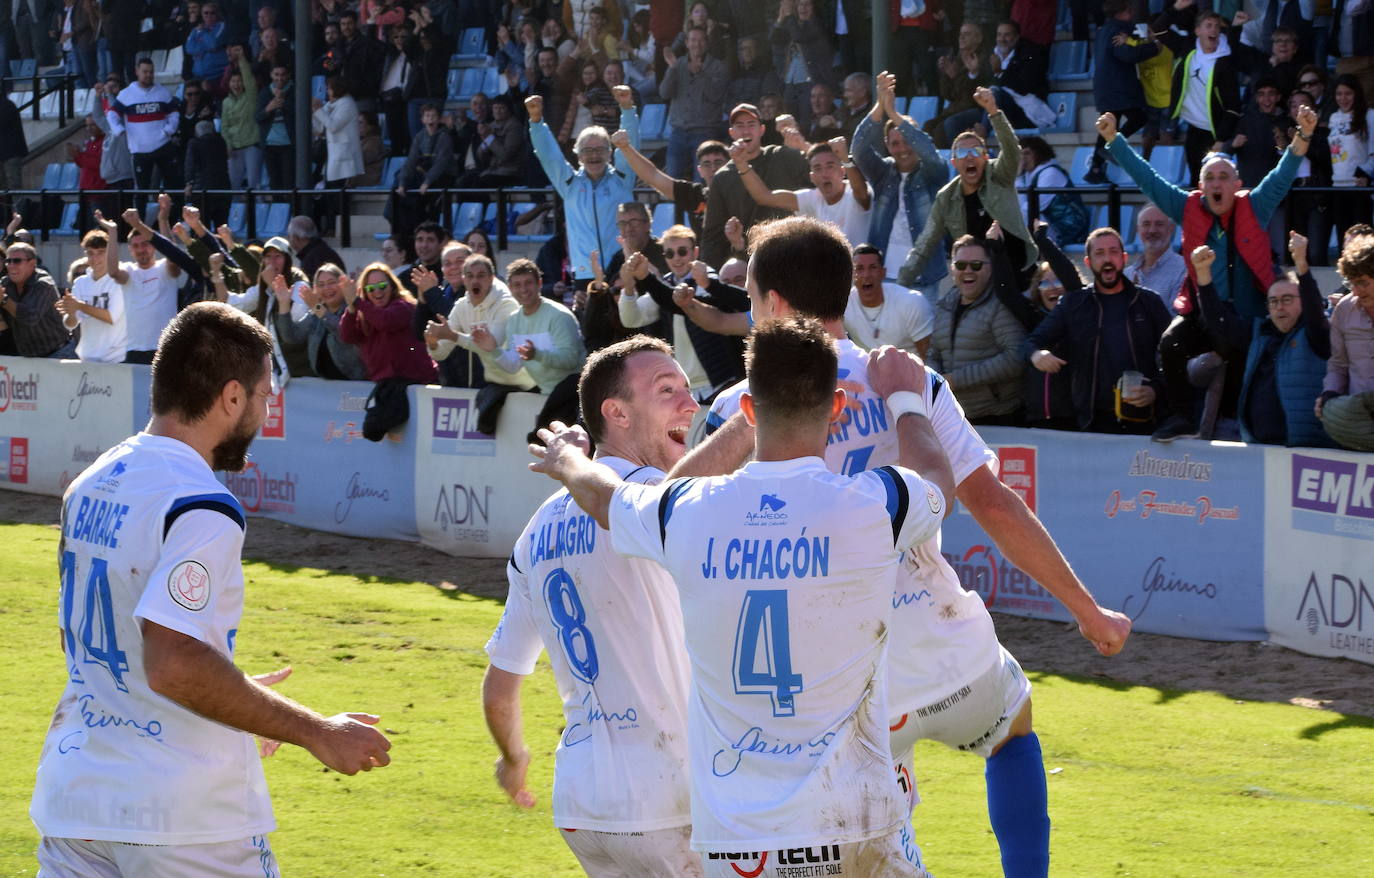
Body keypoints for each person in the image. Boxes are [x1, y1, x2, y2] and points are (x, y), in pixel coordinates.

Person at [690, 216, 1131, 878]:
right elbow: (992, 502)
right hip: (944, 642)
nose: (751, 316)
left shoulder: (740, 408)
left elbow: (680, 527)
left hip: (837, 677)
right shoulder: (905, 377)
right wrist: (1088, 611)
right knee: (1011, 725)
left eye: (751, 300)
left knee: (873, 832)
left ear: (775, 304)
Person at [531, 317, 952, 878]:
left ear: (747, 412)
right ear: (838, 407)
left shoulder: (689, 510)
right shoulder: (875, 502)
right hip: (857, 815)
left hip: (741, 838)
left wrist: (569, 462)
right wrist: (906, 398)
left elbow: (608, 500)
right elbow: (939, 482)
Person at [30, 301, 391, 876]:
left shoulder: (92, 481)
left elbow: (94, 639)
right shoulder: (201, 504)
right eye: (265, 394)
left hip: (75, 800)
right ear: (230, 397)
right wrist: (314, 730)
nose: (266, 410)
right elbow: (173, 663)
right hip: (183, 818)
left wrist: (240, 697)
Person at [484, 335, 703, 877]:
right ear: (617, 413)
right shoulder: (661, 500)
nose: (690, 404)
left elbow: (500, 686)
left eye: (687, 388)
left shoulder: (537, 531)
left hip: (585, 803)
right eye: (666, 389)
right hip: (669, 799)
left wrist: (514, 761)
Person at [1097, 104, 1318, 441]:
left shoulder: (1255, 205)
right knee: (1171, 344)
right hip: (1204, 312)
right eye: (1209, 178)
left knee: (1240, 364)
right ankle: (1181, 416)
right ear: (1200, 186)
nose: (1216, 183)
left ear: (1238, 184)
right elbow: (1147, 178)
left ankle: (1244, 426)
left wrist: (1303, 134)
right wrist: (1114, 139)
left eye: (1223, 177)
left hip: (1249, 316)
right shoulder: (1186, 207)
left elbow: (1284, 173)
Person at [1025, 228, 1172, 433]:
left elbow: (1175, 357)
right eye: (1099, 253)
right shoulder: (1073, 304)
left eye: (1113, 252)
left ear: (1124, 258)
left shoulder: (1149, 302)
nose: (1107, 259)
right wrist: (1036, 354)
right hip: (1090, 424)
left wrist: (1156, 389)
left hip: (1143, 422)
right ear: (1088, 262)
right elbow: (1032, 342)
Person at [900, 88, 1039, 292]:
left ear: (985, 157)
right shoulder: (946, 197)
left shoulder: (999, 174)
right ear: (954, 162)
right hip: (978, 283)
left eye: (976, 151)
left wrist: (993, 111)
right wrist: (901, 284)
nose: (970, 157)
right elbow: (925, 244)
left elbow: (1012, 152)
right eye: (963, 153)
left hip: (1019, 276)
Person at [619, 224, 750, 402]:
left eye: (682, 251)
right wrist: (628, 285)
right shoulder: (664, 284)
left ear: (695, 252)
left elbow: (680, 304)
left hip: (721, 381)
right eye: (670, 254)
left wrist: (647, 278)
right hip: (685, 385)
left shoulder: (708, 279)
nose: (677, 259)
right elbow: (631, 319)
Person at [527, 85, 640, 289]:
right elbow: (549, 156)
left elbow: (629, 145)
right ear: (578, 156)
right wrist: (536, 122)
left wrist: (626, 108)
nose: (594, 156)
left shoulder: (622, 179)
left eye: (599, 150)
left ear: (609, 153)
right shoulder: (569, 185)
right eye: (587, 150)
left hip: (622, 270)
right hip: (585, 274)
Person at [1231, 233, 1333, 447]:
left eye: (1287, 300)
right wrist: (1203, 277)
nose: (1280, 307)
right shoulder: (1260, 337)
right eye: (1273, 302)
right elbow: (1220, 326)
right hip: (1258, 450)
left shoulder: (1317, 334)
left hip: (1304, 453)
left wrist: (1301, 264)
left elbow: (1315, 311)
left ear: (1303, 301)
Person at [852, 71, 945, 290]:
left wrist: (893, 113)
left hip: (923, 276)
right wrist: (880, 107)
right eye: (895, 143)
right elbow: (858, 149)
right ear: (887, 144)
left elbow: (928, 151)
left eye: (907, 141)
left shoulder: (933, 172)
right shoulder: (883, 173)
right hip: (882, 276)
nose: (902, 149)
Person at [425, 253, 536, 433]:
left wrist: (452, 335)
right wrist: (432, 343)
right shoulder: (462, 305)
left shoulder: (506, 304)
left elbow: (491, 346)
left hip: (524, 386)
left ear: (492, 278)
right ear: (463, 279)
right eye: (469, 276)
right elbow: (442, 353)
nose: (475, 280)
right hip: (496, 386)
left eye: (481, 275)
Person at [925, 232, 1029, 425]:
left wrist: (956, 380)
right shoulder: (944, 305)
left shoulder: (1001, 305)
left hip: (999, 417)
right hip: (955, 418)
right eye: (961, 265)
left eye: (976, 265)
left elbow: (1016, 358)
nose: (968, 271)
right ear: (952, 269)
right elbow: (934, 354)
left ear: (990, 269)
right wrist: (935, 381)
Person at [479, 258, 586, 442]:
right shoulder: (514, 320)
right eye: (517, 285)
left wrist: (536, 355)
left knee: (538, 441)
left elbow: (570, 360)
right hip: (549, 396)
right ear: (510, 288)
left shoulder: (559, 315)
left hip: (575, 395)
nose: (523, 290)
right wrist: (493, 350)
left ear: (539, 283)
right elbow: (513, 365)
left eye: (528, 283)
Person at [700, 102, 809, 267]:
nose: (746, 130)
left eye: (751, 124)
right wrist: (709, 278)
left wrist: (802, 145)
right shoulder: (722, 177)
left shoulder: (782, 156)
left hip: (791, 253)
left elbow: (821, 170)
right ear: (732, 132)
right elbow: (712, 236)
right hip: (750, 261)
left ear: (762, 130)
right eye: (740, 125)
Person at [1152, 3, 1250, 179]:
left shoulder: (1225, 62)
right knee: (1195, 182)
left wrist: (1221, 139)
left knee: (1215, 182)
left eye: (1217, 27)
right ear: (1198, 31)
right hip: (1194, 128)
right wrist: (1175, 8)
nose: (1214, 30)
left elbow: (1233, 106)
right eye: (1209, 25)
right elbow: (1158, 30)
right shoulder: (1187, 46)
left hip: (1216, 131)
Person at [731, 135, 871, 247]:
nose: (825, 174)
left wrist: (845, 159)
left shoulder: (854, 190)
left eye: (830, 166)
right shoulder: (812, 198)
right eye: (817, 168)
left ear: (842, 171)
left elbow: (861, 192)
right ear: (812, 178)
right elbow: (764, 197)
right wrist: (740, 163)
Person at [1087, 0, 1161, 184]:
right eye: (1129, 11)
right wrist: (1153, 47)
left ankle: (1095, 169)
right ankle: (1109, 150)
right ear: (1122, 13)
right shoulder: (1117, 31)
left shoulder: (1104, 29)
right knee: (1139, 118)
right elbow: (1128, 55)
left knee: (1108, 124)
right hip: (1117, 88)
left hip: (1105, 87)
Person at [609, 131, 728, 239]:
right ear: (699, 170)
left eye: (718, 162)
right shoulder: (694, 194)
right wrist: (625, 148)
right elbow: (653, 176)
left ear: (729, 165)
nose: (713, 168)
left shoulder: (741, 189)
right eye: (707, 164)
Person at [1318, 234, 1374, 450]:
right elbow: (1338, 364)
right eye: (1352, 283)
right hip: (1357, 418)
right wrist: (1329, 394)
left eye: (1363, 283)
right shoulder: (1343, 310)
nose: (1356, 291)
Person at [118, 207, 188, 364]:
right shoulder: (127, 269)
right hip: (133, 348)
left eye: (145, 244)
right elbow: (114, 273)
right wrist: (112, 232)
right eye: (136, 246)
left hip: (164, 347)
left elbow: (172, 254)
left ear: (154, 245)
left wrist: (163, 220)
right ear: (130, 250)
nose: (141, 249)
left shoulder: (164, 267)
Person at [659, 25, 729, 179]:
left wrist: (701, 74)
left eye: (701, 40)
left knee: (702, 182)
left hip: (705, 133)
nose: (697, 44)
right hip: (678, 132)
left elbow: (716, 96)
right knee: (672, 182)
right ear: (686, 42)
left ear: (707, 43)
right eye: (693, 40)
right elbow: (664, 93)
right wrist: (672, 68)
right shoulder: (678, 64)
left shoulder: (718, 67)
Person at [278, 263, 368, 381]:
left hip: (357, 385)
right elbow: (292, 337)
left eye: (331, 282)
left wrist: (318, 308)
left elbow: (344, 333)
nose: (326, 288)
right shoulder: (315, 313)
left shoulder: (353, 309)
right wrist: (283, 303)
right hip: (325, 389)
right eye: (321, 285)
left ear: (343, 284)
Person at [59, 216, 129, 364]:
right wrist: (70, 312)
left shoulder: (119, 280)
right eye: (90, 253)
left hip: (117, 360)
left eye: (101, 252)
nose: (95, 258)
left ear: (109, 253)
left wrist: (78, 306)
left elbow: (111, 317)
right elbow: (71, 324)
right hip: (86, 358)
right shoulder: (80, 282)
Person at [843, 243, 933, 357]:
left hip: (910, 373)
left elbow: (930, 358)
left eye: (873, 267)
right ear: (851, 274)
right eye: (859, 268)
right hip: (867, 372)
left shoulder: (912, 302)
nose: (866, 275)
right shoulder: (843, 304)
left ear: (883, 272)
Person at [107, 57, 182, 192]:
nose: (148, 75)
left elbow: (174, 113)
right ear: (137, 71)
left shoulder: (163, 92)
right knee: (141, 190)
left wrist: (169, 130)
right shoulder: (126, 94)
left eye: (151, 72)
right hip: (139, 149)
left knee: (173, 186)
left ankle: (175, 213)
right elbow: (112, 114)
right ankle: (140, 213)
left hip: (163, 145)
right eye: (145, 71)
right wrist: (119, 130)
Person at [390, 103, 455, 237]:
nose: (430, 119)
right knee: (401, 190)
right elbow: (410, 161)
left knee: (426, 197)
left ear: (439, 119)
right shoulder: (419, 137)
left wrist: (427, 182)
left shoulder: (444, 137)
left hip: (444, 176)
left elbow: (440, 164)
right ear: (422, 119)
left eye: (433, 116)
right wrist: (402, 183)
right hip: (425, 176)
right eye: (427, 116)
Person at [1325, 74, 1374, 242]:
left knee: (1362, 243)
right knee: (1343, 242)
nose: (1343, 98)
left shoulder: (1369, 115)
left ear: (1357, 94)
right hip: (1337, 186)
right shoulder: (1333, 118)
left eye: (1348, 93)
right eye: (1339, 94)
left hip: (1359, 187)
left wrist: (1366, 174)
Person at [312, 75, 364, 230]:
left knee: (338, 196)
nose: (327, 91)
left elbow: (333, 126)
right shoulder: (332, 104)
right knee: (329, 194)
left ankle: (337, 229)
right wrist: (316, 111)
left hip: (344, 157)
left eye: (329, 88)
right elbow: (320, 128)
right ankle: (329, 227)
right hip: (333, 157)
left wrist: (319, 110)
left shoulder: (347, 104)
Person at [1016, 136, 1088, 247]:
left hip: (1068, 228)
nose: (1023, 158)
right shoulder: (1027, 175)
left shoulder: (1050, 173)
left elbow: (1031, 208)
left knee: (1025, 215)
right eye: (1020, 154)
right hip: (1046, 224)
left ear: (1039, 154)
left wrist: (1018, 177)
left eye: (1027, 153)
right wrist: (1019, 176)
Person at [1126, 205, 1188, 313]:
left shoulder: (1183, 270)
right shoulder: (1127, 274)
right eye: (1146, 224)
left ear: (1171, 229)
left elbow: (1176, 320)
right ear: (1137, 230)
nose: (1152, 230)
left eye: (1159, 224)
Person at [256, 63, 298, 192]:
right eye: (276, 75)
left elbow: (300, 113)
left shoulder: (295, 91)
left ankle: (290, 211)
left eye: (283, 74)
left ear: (288, 75)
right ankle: (278, 211)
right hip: (269, 144)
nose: (280, 78)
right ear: (271, 75)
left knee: (288, 181)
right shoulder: (264, 93)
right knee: (274, 182)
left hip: (289, 144)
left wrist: (283, 102)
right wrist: (269, 108)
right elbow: (258, 117)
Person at [289, 215, 346, 281]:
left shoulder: (310, 261)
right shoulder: (324, 251)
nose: (289, 240)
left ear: (296, 238)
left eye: (290, 236)